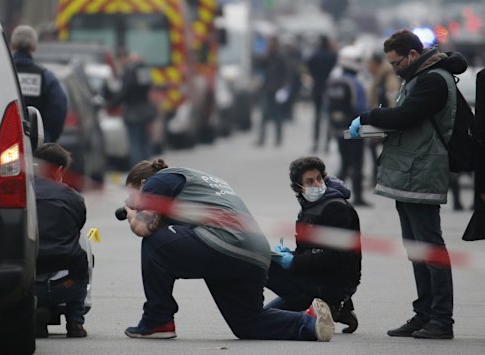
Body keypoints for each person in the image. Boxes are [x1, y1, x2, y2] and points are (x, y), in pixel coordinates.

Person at [119, 159, 335, 341]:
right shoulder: (195, 181)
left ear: (144, 183)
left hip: (225, 241)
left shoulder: (160, 180)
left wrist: (131, 214)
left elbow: (143, 227)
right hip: (252, 252)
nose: (134, 203)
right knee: (248, 324)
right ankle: (309, 322)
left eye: (133, 196)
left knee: (154, 243)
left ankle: (158, 320)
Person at [349, 29, 468, 339]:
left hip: (424, 171)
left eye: (396, 62)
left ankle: (441, 320)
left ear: (413, 55)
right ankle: (423, 314)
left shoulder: (432, 80)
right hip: (412, 171)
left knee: (430, 247)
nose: (393, 68)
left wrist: (368, 116)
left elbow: (406, 116)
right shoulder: (419, 76)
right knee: (416, 247)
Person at [265, 156, 361, 334]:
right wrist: (289, 255)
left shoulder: (337, 209)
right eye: (309, 181)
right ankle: (336, 309)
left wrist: (293, 262)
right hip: (314, 278)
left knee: (267, 317)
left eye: (319, 178)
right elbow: (308, 251)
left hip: (332, 283)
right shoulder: (308, 208)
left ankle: (331, 304)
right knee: (269, 313)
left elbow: (337, 257)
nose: (316, 184)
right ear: (298, 187)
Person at [33, 143, 89, 338]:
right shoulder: (73, 197)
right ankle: (75, 321)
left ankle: (36, 312)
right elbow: (79, 225)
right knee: (81, 257)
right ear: (58, 170)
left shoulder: (20, 194)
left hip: (27, 287)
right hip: (66, 285)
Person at [326, 45, 370, 206]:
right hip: (354, 130)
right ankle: (357, 197)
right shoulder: (355, 84)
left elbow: (327, 108)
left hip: (338, 129)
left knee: (345, 163)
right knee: (357, 163)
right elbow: (361, 109)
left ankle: (333, 195)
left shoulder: (333, 81)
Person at [11, 25, 67, 143]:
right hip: (37, 144)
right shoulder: (46, 77)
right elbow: (58, 107)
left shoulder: (2, 72)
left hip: (5, 142)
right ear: (34, 47)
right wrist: (48, 137)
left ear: (12, 45)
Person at [111, 49, 156, 168]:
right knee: (144, 141)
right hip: (145, 111)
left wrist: (111, 104)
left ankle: (138, 172)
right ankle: (148, 170)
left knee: (135, 143)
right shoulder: (143, 70)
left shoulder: (130, 70)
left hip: (133, 112)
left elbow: (124, 91)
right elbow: (148, 87)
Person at [365, 52, 401, 187]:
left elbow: (392, 98)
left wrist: (391, 121)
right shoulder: (378, 77)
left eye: (369, 64)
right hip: (379, 120)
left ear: (376, 64)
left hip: (386, 121)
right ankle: (377, 177)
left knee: (386, 149)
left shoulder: (388, 76)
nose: (368, 67)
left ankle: (383, 178)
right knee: (373, 146)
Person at [255, 36, 288, 147]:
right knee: (264, 116)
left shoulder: (280, 57)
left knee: (277, 116)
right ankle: (262, 139)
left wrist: (283, 87)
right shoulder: (267, 56)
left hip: (276, 90)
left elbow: (285, 73)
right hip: (267, 89)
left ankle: (278, 139)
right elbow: (259, 65)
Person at [307, 35, 337, 153]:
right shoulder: (332, 56)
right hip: (330, 88)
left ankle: (315, 142)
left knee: (317, 117)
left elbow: (308, 67)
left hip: (317, 88)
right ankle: (327, 143)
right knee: (329, 117)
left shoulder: (314, 56)